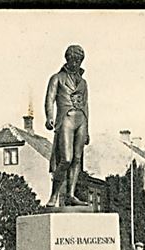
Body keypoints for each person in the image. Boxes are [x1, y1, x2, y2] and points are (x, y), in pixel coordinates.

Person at [44, 44, 90, 207]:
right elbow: (49, 99)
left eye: (79, 61)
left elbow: (86, 105)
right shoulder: (57, 78)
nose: (76, 63)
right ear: (68, 59)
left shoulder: (83, 82)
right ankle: (54, 194)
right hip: (66, 119)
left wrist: (88, 129)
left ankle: (70, 195)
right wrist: (49, 117)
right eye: (74, 60)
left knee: (77, 159)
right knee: (66, 159)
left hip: (81, 121)